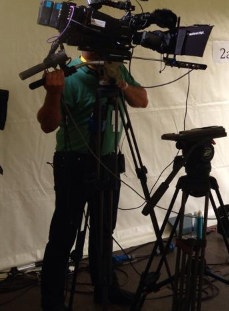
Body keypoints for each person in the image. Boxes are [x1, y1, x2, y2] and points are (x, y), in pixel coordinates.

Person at [37, 51, 148, 311]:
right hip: (73, 164)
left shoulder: (115, 68)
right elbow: (47, 124)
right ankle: (51, 302)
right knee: (63, 235)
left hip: (108, 162)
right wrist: (53, 94)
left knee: (103, 231)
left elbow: (141, 99)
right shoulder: (72, 75)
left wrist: (120, 84)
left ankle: (106, 288)